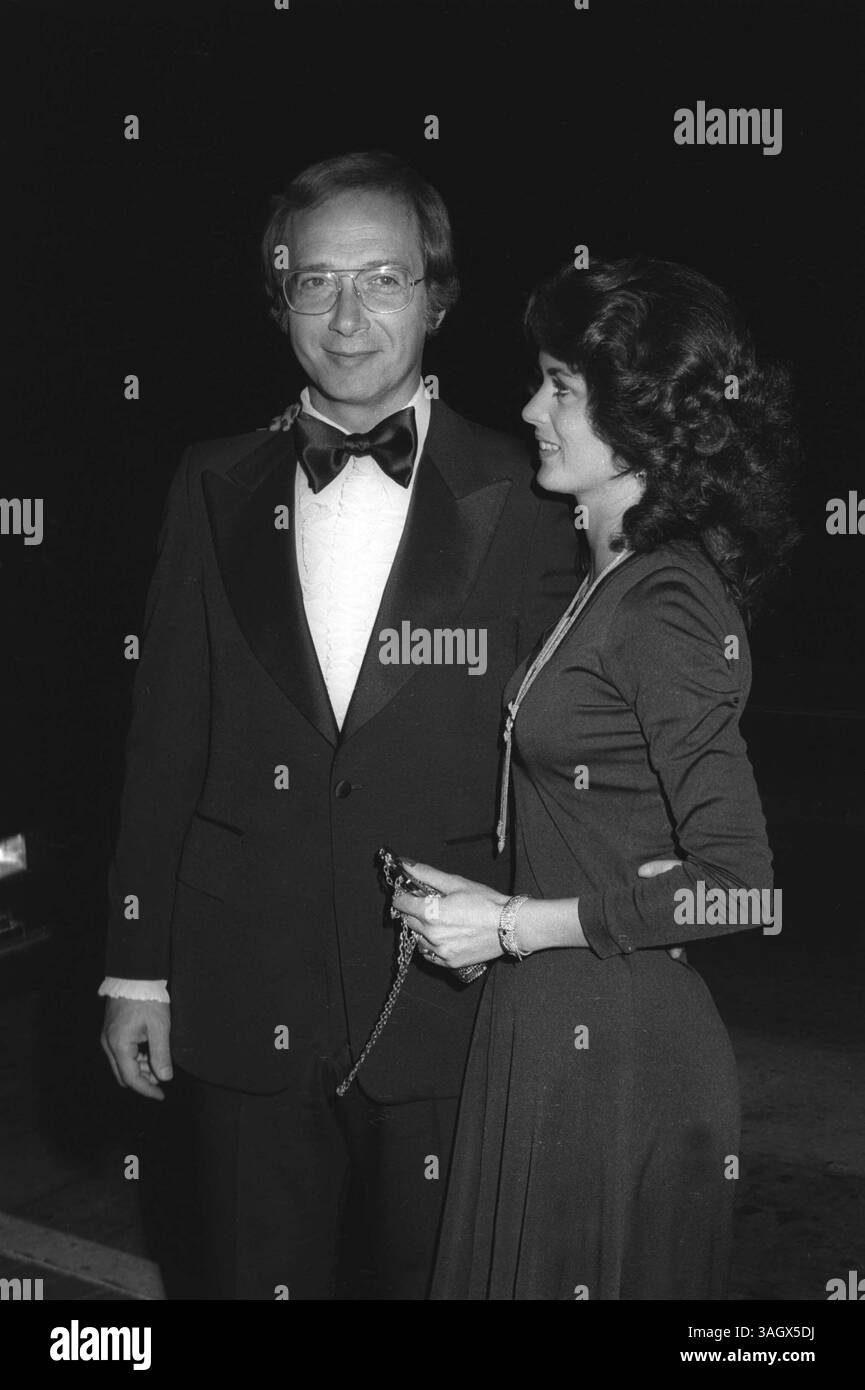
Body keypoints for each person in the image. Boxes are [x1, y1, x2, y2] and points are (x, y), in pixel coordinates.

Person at [98, 149, 582, 1300]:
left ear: (436, 297)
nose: (349, 316)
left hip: (451, 996)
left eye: (384, 279)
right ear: (280, 300)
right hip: (240, 987)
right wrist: (135, 969)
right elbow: (164, 738)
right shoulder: (210, 480)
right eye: (317, 282)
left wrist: (555, 956)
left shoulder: (528, 488)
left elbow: (564, 759)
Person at [394, 255, 800, 1300]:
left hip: (614, 1052)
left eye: (560, 387)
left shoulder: (665, 602)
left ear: (643, 416)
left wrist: (511, 925)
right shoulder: (612, 576)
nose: (532, 409)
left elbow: (738, 884)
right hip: (552, 1023)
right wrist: (490, 907)